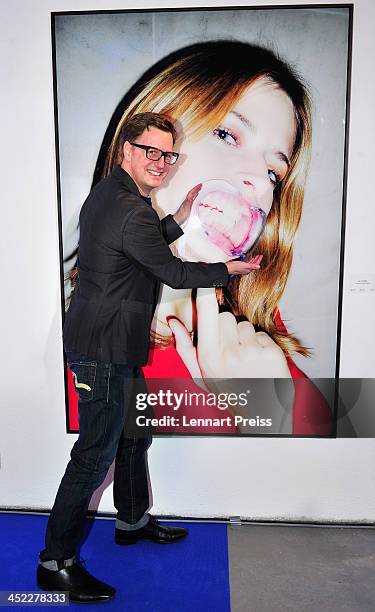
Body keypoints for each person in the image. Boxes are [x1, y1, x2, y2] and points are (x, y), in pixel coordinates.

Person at [37, 112, 261, 603]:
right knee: (94, 455)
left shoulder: (116, 195)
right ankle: (56, 563)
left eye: (168, 154)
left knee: (136, 431)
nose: (160, 162)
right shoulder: (129, 207)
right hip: (102, 347)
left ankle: (132, 519)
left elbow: (138, 249)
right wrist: (229, 268)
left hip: (116, 340)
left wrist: (179, 218)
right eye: (150, 151)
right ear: (127, 150)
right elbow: (174, 274)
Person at [93, 40, 332, 436]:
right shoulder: (84, 352)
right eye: (226, 134)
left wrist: (271, 414)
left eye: (275, 172)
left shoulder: (250, 316)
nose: (259, 182)